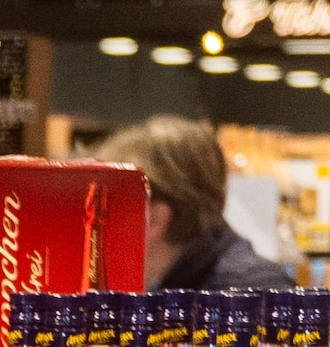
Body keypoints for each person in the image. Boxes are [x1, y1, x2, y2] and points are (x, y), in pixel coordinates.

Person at [91, 116, 293, 295]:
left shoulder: (249, 294)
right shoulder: (175, 285)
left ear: (154, 218)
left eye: (108, 210)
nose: (97, 227)